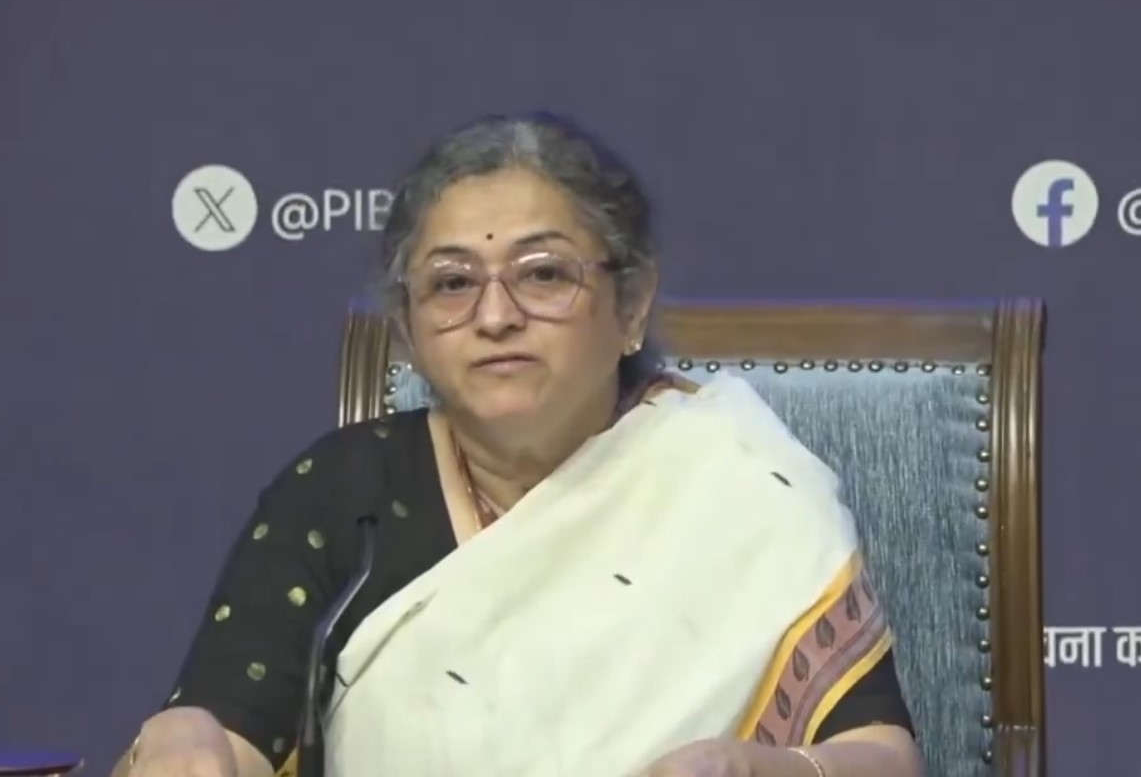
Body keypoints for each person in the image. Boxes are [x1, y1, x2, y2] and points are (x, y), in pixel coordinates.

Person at [115, 112, 925, 777]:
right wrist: (187, 732)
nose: (496, 316)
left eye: (542, 274)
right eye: (453, 283)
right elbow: (227, 738)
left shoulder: (735, 478)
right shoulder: (339, 493)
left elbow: (883, 755)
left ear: (631, 304)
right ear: (409, 330)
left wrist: (765, 769)